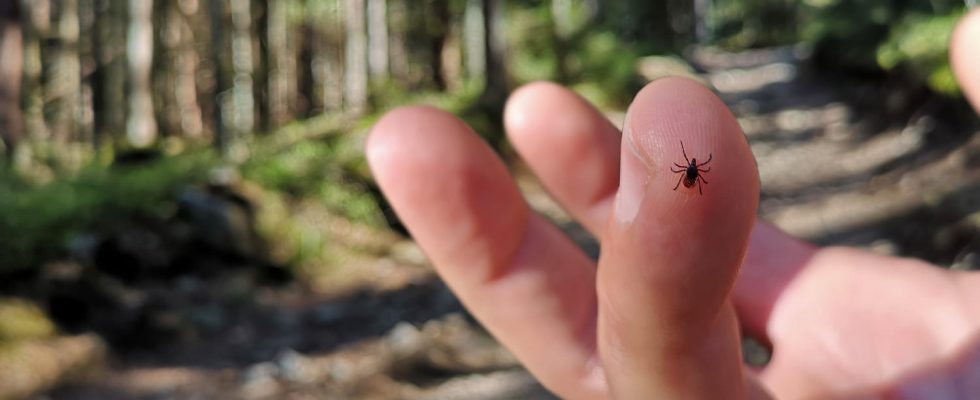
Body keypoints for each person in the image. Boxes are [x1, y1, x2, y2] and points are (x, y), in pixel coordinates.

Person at [366, 9, 980, 400]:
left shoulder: (693, 169)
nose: (691, 168)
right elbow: (698, 168)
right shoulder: (692, 168)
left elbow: (699, 169)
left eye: (690, 165)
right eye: (690, 165)